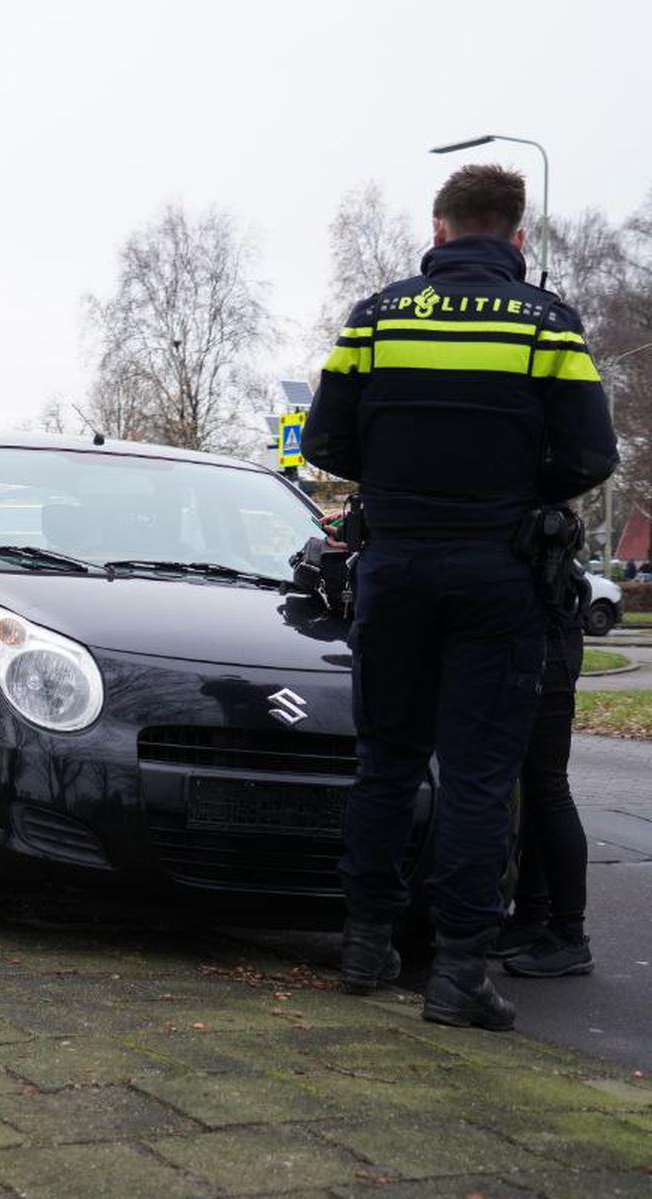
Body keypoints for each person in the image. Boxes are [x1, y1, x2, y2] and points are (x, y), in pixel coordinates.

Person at [303, 164, 616, 1030]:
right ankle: (460, 976)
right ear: (517, 238)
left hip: (395, 562)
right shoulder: (547, 324)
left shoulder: (376, 314)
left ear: (436, 230)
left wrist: (404, 487)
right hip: (497, 569)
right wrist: (513, 491)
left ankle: (364, 947)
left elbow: (327, 437)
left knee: (386, 761)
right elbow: (592, 455)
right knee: (479, 777)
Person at [493, 544, 594, 977]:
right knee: (533, 785)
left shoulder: (525, 491)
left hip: (546, 637)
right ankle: (532, 918)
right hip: (544, 631)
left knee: (547, 787)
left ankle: (570, 935)